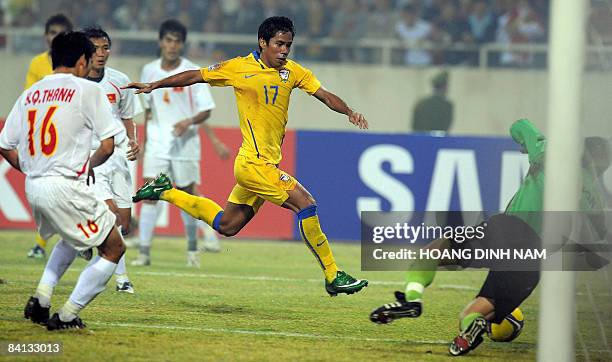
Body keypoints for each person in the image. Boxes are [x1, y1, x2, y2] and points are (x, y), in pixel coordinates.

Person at [127, 16, 369, 296]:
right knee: (306, 204)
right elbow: (196, 76)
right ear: (263, 42)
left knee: (226, 225)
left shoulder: (293, 72)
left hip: (263, 164)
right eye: (279, 44)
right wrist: (155, 85)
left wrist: (349, 111)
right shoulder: (239, 67)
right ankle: (332, 273)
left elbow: (324, 95)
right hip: (253, 164)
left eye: (288, 45)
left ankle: (165, 192)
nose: (284, 50)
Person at [370, 119, 611, 355]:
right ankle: (470, 330)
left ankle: (413, 299)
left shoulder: (550, 152)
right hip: (535, 257)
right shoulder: (596, 199)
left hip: (508, 228)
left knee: (433, 251)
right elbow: (599, 239)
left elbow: (520, 125)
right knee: (474, 311)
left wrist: (528, 144)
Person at [0, 31, 125, 330]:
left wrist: (33, 170)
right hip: (66, 184)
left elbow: (5, 144)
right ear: (82, 60)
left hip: (34, 186)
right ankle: (67, 316)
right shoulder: (86, 90)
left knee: (72, 238)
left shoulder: (30, 93)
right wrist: (89, 166)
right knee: (113, 248)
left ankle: (42, 298)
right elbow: (107, 146)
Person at [132, 19, 229, 268]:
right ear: (160, 42)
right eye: (168, 40)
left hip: (185, 144)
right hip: (157, 142)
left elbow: (206, 110)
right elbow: (149, 111)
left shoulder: (192, 70)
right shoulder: (149, 70)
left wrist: (188, 122)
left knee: (186, 195)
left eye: (177, 41)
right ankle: (144, 253)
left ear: (182, 44)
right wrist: (143, 142)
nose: (172, 45)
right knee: (150, 193)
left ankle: (192, 251)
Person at [83, 26, 142, 293]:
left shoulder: (120, 81)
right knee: (112, 216)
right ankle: (122, 279)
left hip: (118, 158)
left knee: (125, 225)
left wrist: (133, 140)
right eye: (95, 48)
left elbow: (128, 117)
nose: (101, 53)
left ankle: (82, 238)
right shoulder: (76, 83)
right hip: (92, 159)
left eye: (105, 48)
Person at [25, 13, 73, 259]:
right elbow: (28, 98)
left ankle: (45, 243)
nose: (56, 37)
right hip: (44, 136)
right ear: (45, 36)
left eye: (61, 33)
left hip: (68, 134)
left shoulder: (76, 64)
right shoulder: (37, 64)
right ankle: (43, 242)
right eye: (52, 32)